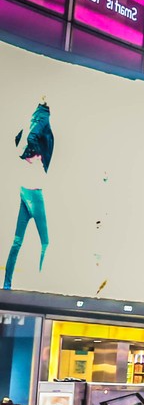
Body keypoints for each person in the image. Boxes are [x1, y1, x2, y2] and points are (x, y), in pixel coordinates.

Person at [5, 98, 53, 292]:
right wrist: (34, 153)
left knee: (17, 241)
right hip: (33, 192)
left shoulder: (31, 119)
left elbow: (20, 141)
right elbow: (31, 139)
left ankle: (7, 284)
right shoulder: (43, 119)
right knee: (45, 241)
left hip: (25, 190)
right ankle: (40, 283)